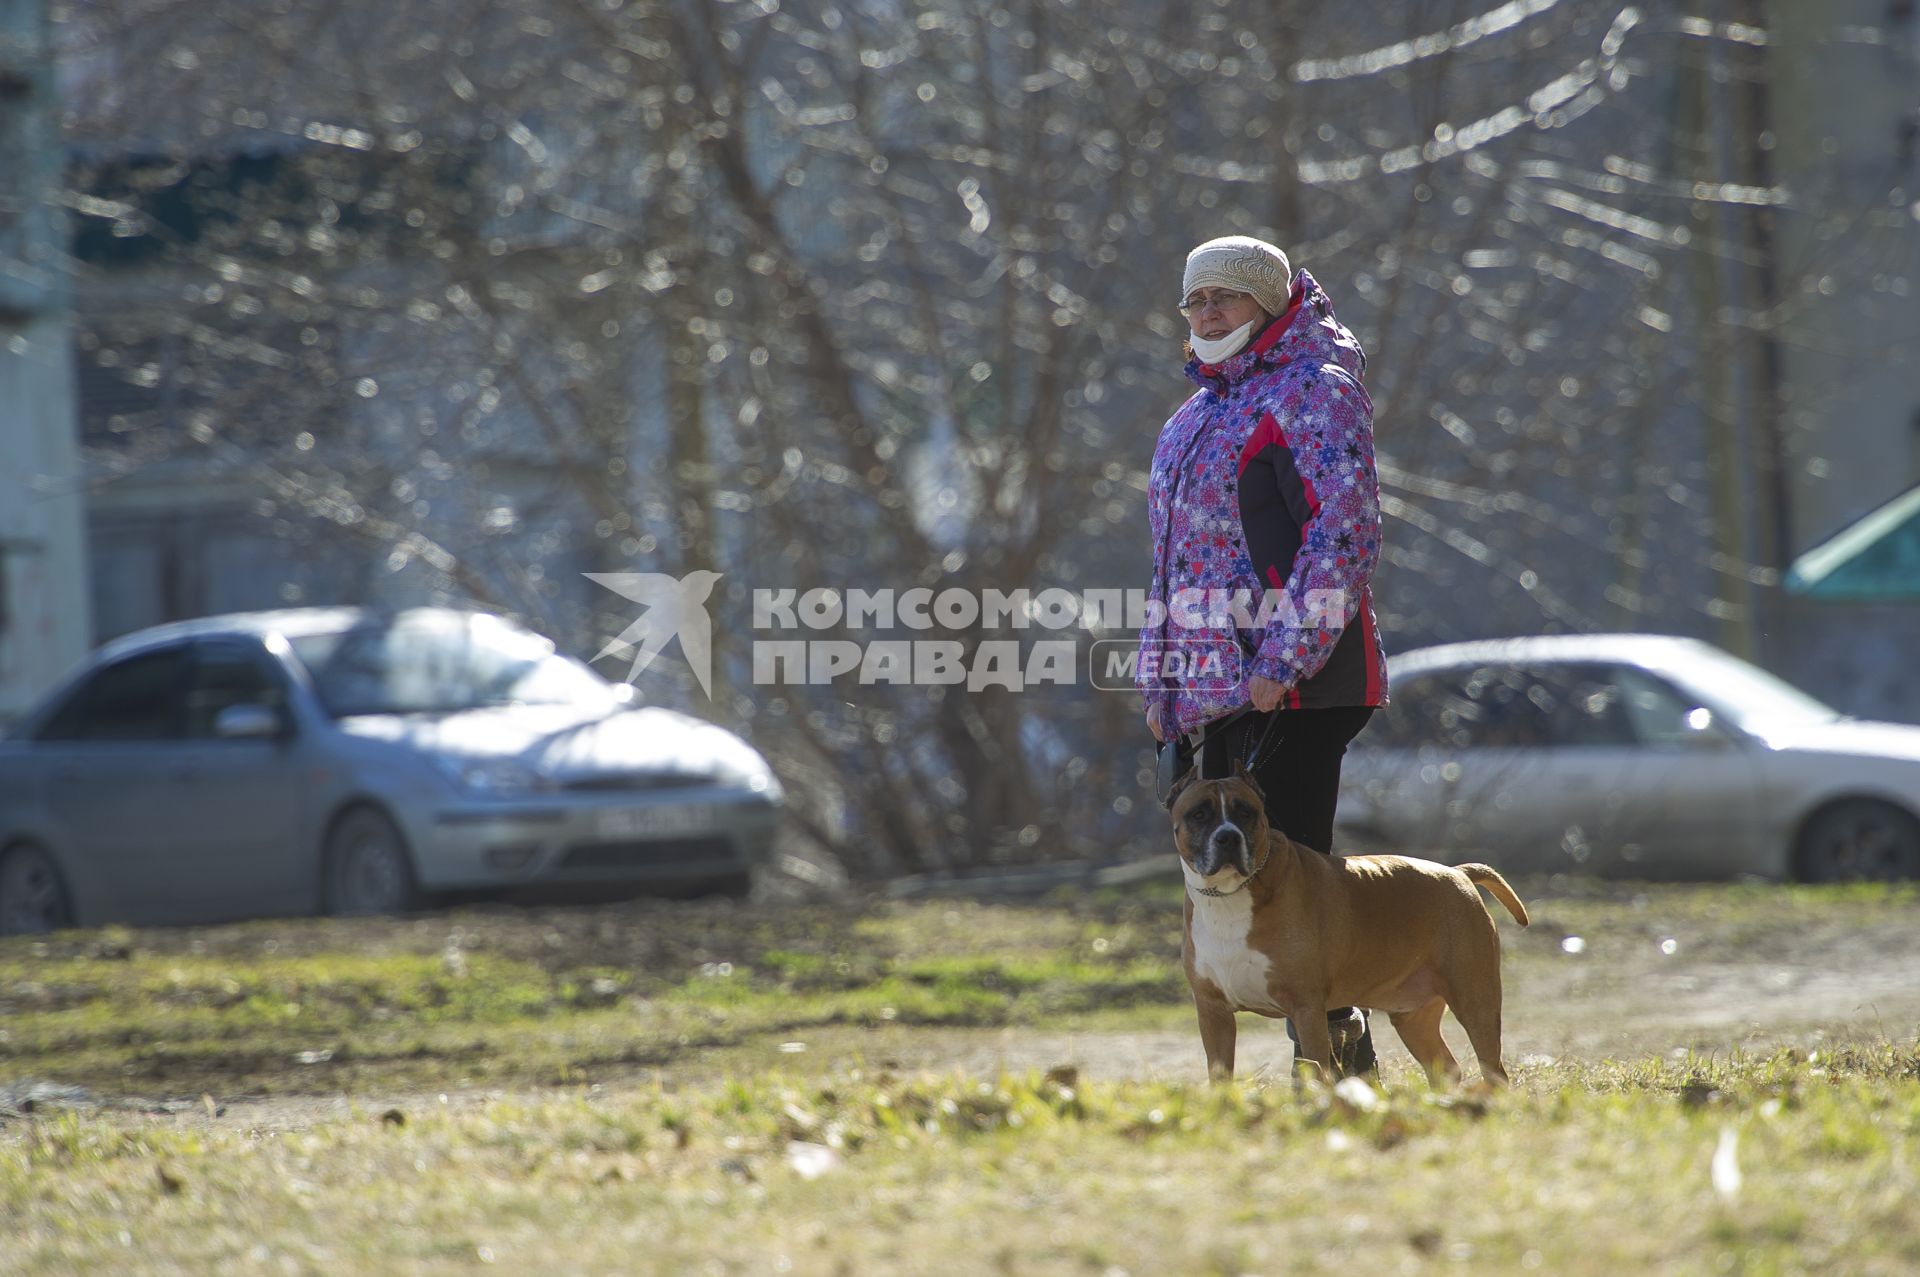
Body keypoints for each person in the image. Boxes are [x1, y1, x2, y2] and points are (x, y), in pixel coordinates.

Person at [1136, 235, 1390, 1077]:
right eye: (1196, 299)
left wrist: (1286, 656)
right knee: (1229, 886)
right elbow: (1170, 563)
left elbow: (1343, 536)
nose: (1209, 312)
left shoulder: (1312, 391)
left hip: (1296, 683)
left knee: (1296, 884)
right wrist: (1160, 679)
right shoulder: (1193, 415)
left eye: (1229, 296)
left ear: (1272, 303)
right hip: (1212, 690)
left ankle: (1337, 1071)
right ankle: (1261, 1073)